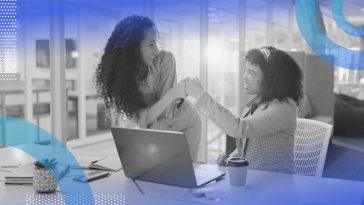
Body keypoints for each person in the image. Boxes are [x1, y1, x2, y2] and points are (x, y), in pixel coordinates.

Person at [94, 15, 201, 161]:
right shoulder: (119, 80)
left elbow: (165, 117)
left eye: (155, 43)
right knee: (156, 176)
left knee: (184, 176)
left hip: (186, 121)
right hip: (156, 129)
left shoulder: (165, 60)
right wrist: (172, 93)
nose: (157, 50)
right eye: (151, 44)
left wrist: (153, 117)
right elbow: (141, 120)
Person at [186, 46, 304, 174]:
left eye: (251, 73)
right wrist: (230, 158)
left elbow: (240, 128)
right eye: (245, 70)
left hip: (276, 185)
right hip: (253, 180)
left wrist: (200, 95)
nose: (244, 77)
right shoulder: (257, 104)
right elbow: (247, 144)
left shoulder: (284, 108)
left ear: (271, 79)